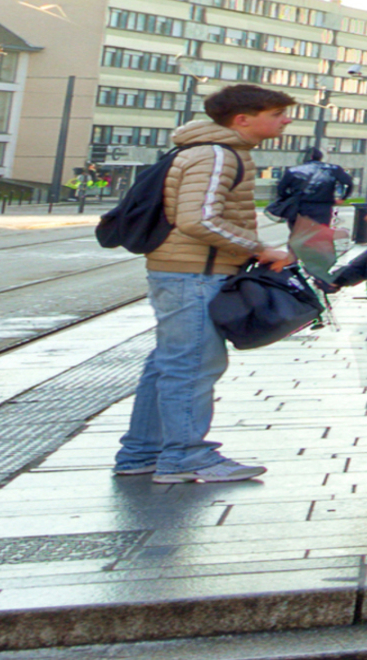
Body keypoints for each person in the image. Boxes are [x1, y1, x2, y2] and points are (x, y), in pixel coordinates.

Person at [115, 84, 296, 484]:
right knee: (193, 363)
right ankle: (186, 457)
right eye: (278, 113)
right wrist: (259, 249)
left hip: (188, 271)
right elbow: (198, 219)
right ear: (243, 119)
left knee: (170, 361)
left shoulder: (212, 150)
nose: (286, 120)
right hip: (195, 273)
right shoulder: (217, 154)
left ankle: (141, 453)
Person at [268, 150, 352, 275]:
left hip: (300, 207)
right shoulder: (333, 169)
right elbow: (349, 183)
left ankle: (292, 260)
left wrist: (289, 198)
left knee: (296, 234)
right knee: (319, 235)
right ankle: (317, 263)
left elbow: (281, 190)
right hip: (323, 208)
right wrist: (342, 198)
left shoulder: (294, 170)